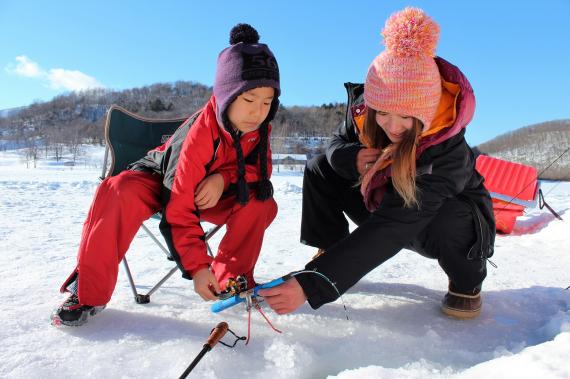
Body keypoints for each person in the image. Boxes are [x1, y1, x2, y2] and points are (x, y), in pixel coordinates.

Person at [260, 7, 495, 319]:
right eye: (383, 113)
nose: (393, 126)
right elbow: (335, 144)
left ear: (425, 110)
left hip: (436, 225)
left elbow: (396, 223)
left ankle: (467, 279)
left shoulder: (448, 151)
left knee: (451, 215)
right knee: (320, 167)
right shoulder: (364, 112)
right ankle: (332, 249)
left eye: (406, 117)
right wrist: (349, 157)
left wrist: (313, 284)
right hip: (386, 206)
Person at [52, 23, 281, 326]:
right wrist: (199, 268)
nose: (258, 112)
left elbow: (260, 174)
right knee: (117, 189)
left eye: (267, 102)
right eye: (249, 101)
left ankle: (232, 281)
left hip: (208, 193)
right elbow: (178, 204)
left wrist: (224, 178)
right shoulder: (199, 134)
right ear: (227, 96)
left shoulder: (259, 130)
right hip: (160, 180)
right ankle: (88, 293)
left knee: (261, 203)